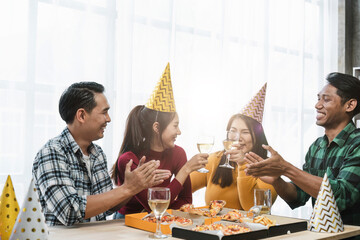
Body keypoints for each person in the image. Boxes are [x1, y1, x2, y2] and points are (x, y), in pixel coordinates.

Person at [32, 82, 170, 226]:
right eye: (104, 112)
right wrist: (127, 188)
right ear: (81, 115)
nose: (108, 119)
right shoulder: (51, 153)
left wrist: (135, 186)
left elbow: (108, 207)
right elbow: (69, 211)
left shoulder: (97, 153)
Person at [245, 72, 360, 226]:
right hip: (320, 235)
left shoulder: (357, 143)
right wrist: (276, 180)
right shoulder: (316, 146)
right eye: (318, 98)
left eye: (326, 99)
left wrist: (286, 168)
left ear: (350, 105)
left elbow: (342, 197)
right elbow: (297, 197)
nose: (317, 105)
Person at [111, 63, 208, 217]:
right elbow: (154, 206)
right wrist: (186, 170)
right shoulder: (128, 160)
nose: (179, 131)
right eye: (175, 126)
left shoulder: (178, 153)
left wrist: (165, 204)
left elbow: (186, 201)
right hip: (126, 222)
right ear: (157, 127)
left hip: (163, 218)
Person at [191, 84, 277, 210]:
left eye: (245, 132)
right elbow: (182, 188)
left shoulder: (269, 168)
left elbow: (252, 209)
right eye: (233, 131)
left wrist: (243, 164)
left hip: (250, 228)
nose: (237, 138)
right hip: (213, 227)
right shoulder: (215, 159)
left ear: (257, 138)